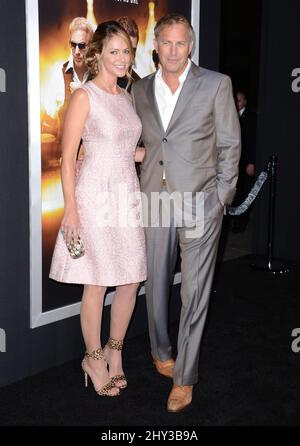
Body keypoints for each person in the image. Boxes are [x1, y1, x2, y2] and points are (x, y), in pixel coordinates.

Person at [131, 14, 241, 412]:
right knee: (156, 284)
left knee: (194, 292)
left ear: (190, 46)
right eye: (167, 43)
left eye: (181, 43)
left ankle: (185, 377)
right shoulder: (138, 89)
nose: (174, 51)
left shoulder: (216, 84)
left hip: (200, 201)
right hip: (155, 200)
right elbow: (142, 141)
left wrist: (221, 197)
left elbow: (230, 143)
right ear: (155, 46)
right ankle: (162, 353)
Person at [49, 21, 147, 397]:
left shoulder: (125, 97)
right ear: (98, 55)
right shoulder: (84, 95)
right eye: (115, 52)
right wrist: (71, 210)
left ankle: (114, 351)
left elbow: (128, 150)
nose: (122, 59)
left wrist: (160, 158)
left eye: (127, 52)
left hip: (126, 195)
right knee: (98, 280)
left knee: (131, 278)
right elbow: (67, 156)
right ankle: (92, 357)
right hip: (94, 196)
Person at [59, 17, 94, 139]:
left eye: (82, 46)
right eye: (73, 45)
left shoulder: (99, 75)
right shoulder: (60, 73)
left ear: (91, 46)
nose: (77, 51)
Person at [232, 90, 257, 232]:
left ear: (244, 102)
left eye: (239, 101)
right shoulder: (230, 115)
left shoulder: (252, 118)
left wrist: (252, 162)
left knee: (244, 193)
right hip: (233, 162)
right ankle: (234, 221)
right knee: (234, 193)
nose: (237, 103)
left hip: (246, 162)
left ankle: (241, 223)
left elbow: (253, 141)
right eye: (235, 101)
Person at [116, 16, 140, 91]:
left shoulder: (139, 87)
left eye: (133, 50)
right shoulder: (95, 78)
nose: (130, 57)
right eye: (126, 50)